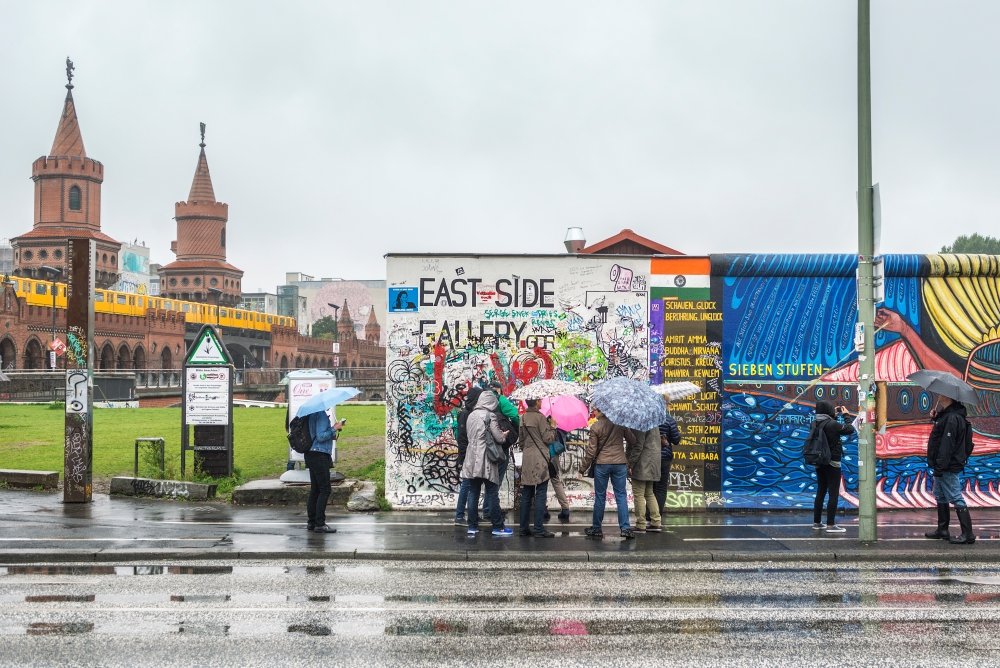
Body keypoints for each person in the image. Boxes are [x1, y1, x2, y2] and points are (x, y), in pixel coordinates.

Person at [924, 394, 976, 544]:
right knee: (940, 495)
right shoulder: (947, 415)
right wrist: (935, 417)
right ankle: (942, 529)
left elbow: (947, 444)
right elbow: (941, 434)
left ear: (948, 398)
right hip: (942, 464)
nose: (939, 397)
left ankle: (968, 534)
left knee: (955, 496)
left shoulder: (953, 418)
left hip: (947, 465)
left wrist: (940, 466)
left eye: (941, 395)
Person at [461, 390, 514, 537]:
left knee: (473, 492)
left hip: (471, 458)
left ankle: (472, 526)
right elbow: (499, 438)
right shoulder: (490, 415)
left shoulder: (471, 415)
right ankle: (498, 527)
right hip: (486, 459)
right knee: (492, 493)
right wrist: (503, 435)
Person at [579, 407, 633, 539]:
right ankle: (625, 528)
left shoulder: (596, 427)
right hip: (619, 464)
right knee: (621, 495)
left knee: (600, 496)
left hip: (602, 464)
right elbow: (633, 440)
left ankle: (597, 528)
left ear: (602, 411)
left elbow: (591, 451)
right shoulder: (620, 423)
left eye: (596, 410)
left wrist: (582, 468)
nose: (594, 413)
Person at [811, 400, 856, 533]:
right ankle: (830, 524)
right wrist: (846, 415)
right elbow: (850, 429)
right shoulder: (832, 424)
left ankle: (817, 522)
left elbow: (829, 425)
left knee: (821, 491)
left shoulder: (814, 423)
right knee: (833, 493)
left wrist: (834, 415)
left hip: (819, 461)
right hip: (832, 462)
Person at [517, 399, 557, 537]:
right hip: (540, 459)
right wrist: (553, 427)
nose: (541, 402)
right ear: (537, 403)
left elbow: (521, 441)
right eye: (540, 400)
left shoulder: (522, 418)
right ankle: (539, 529)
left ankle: (523, 528)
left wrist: (528, 449)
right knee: (540, 494)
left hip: (527, 458)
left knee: (527, 494)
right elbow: (548, 439)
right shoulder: (540, 418)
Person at [482, 380, 520, 520]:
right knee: (496, 478)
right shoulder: (500, 400)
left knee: (488, 478)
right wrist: (517, 428)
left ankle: (490, 508)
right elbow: (515, 416)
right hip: (500, 444)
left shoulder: (479, 402)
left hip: (484, 444)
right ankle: (490, 510)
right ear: (499, 390)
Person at [305, 410, 345, 533]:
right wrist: (335, 428)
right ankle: (320, 524)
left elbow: (316, 435)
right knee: (325, 489)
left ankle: (312, 522)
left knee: (315, 489)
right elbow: (321, 436)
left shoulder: (311, 414)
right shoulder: (321, 415)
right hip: (320, 454)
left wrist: (332, 432)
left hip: (311, 453)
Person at [452, 385, 483, 526]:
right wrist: (463, 456)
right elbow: (462, 438)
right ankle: (459, 515)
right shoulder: (465, 414)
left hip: (471, 454)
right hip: (467, 455)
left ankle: (472, 514)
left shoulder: (471, 412)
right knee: (466, 485)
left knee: (472, 485)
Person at [626, 426, 661, 532]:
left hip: (642, 463)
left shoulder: (640, 425)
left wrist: (630, 464)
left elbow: (638, 446)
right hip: (653, 462)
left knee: (638, 494)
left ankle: (640, 524)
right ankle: (656, 521)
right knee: (649, 493)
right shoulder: (654, 424)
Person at [653, 403, 681, 518]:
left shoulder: (651, 419)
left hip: (651, 456)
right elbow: (676, 440)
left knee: (651, 487)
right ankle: (658, 514)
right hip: (665, 457)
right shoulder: (669, 420)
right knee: (661, 487)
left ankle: (650, 514)